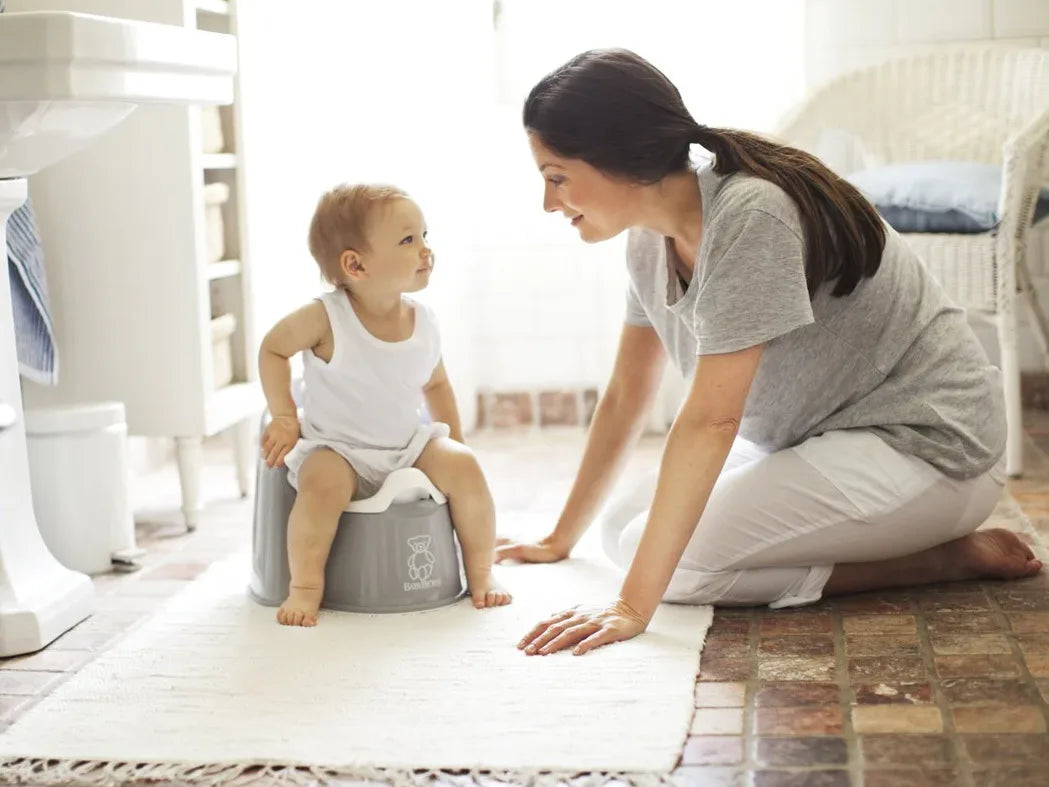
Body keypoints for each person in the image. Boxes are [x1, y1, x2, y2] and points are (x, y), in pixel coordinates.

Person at [495, 48, 1041, 657]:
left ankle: (938, 560)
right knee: (620, 531)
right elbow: (627, 394)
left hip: (929, 448)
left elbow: (712, 421)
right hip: (817, 438)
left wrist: (631, 607)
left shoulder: (751, 215)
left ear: (620, 155)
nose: (549, 203)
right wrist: (560, 537)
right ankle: (918, 552)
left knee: (677, 571)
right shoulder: (648, 243)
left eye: (557, 177)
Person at [259, 183, 511, 626]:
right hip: (338, 449)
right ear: (355, 265)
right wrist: (284, 414)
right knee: (321, 486)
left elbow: (436, 384)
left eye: (424, 236)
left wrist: (455, 442)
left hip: (406, 447)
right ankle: (305, 587)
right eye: (408, 240)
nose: (425, 249)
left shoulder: (423, 321)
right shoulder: (325, 317)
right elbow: (273, 349)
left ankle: (480, 572)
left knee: (466, 468)